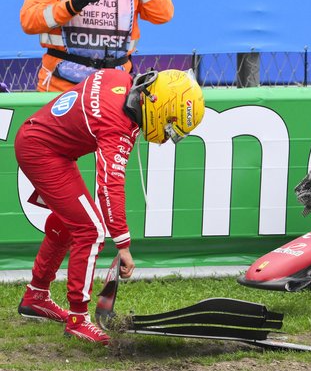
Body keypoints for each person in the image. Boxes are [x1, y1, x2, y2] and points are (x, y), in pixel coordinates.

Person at [15, 68, 205, 345]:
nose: (165, 138)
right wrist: (123, 244)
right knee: (90, 231)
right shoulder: (118, 126)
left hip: (41, 142)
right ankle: (78, 319)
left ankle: (36, 296)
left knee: (70, 223)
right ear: (159, 105)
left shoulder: (119, 79)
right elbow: (109, 187)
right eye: (169, 127)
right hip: (42, 152)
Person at [20, 0, 174, 92]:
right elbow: (29, 21)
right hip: (60, 89)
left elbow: (163, 14)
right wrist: (70, 6)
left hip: (114, 90)